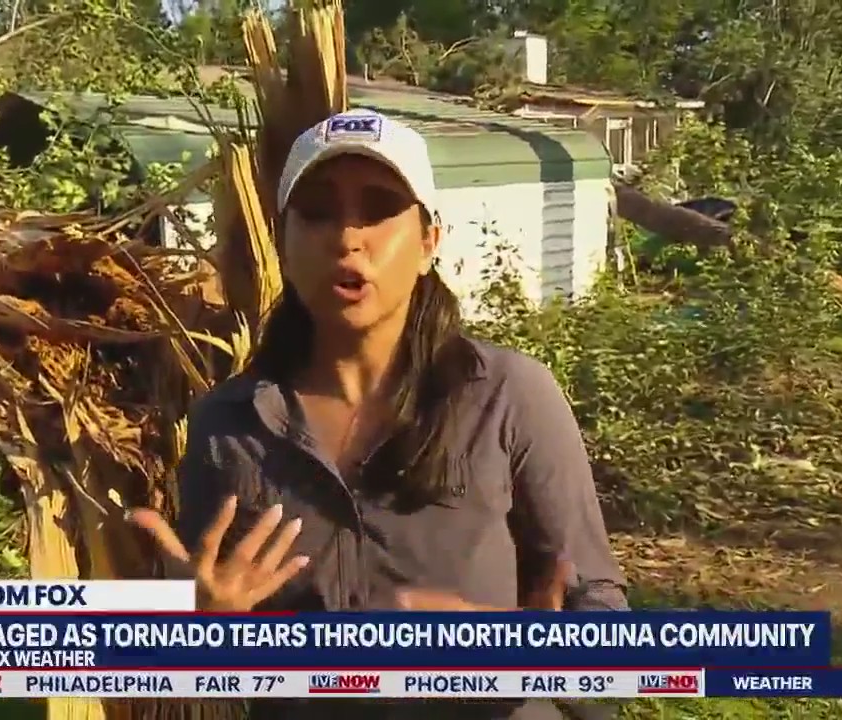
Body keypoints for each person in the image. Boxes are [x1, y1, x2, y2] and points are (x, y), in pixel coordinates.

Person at [128, 109, 628, 719]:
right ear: (283, 244)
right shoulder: (228, 426)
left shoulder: (508, 395)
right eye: (317, 212)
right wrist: (200, 630)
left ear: (428, 242)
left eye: (379, 207)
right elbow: (206, 666)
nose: (348, 237)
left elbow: (606, 636)